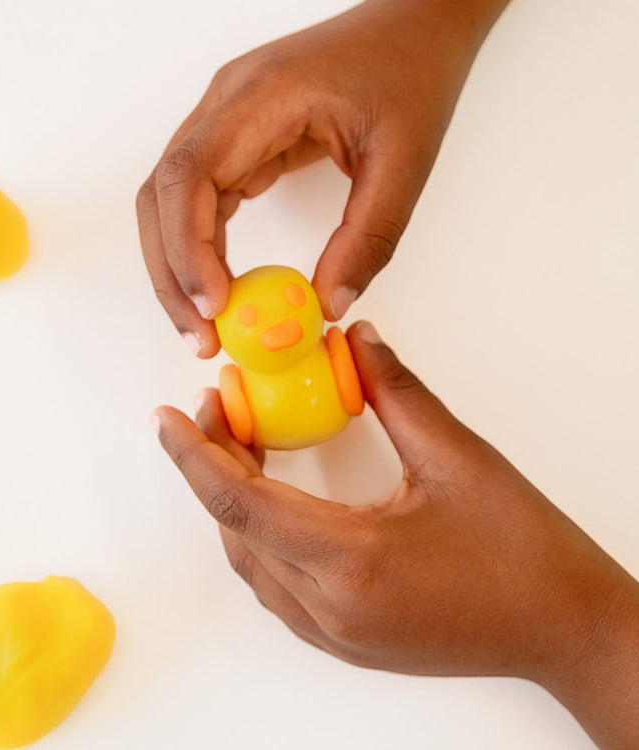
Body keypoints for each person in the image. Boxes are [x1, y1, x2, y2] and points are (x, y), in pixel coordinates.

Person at [136, 1, 639, 747]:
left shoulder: (330, 356)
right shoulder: (248, 380)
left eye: (290, 309)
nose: (277, 324)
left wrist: (573, 632)